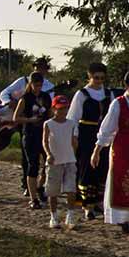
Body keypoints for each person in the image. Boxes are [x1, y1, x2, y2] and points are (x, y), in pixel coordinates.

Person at [94, 69, 129, 239]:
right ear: (127, 86)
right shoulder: (118, 104)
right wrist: (97, 150)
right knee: (125, 184)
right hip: (123, 150)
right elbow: (107, 128)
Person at [0, 57, 55, 198]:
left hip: (43, 127)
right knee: (29, 158)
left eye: (43, 68)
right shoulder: (22, 82)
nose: (40, 70)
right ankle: (27, 185)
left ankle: (40, 186)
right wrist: (10, 102)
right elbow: (4, 94)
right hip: (27, 126)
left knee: (47, 158)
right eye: (38, 67)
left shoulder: (50, 87)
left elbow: (49, 108)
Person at [67, 62, 113, 220]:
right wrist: (74, 137)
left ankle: (100, 201)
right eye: (96, 78)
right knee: (87, 169)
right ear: (89, 76)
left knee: (103, 168)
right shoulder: (82, 94)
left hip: (104, 135)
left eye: (102, 78)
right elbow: (73, 118)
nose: (99, 81)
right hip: (86, 134)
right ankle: (87, 206)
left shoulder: (109, 94)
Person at [12, 71, 53, 209]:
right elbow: (16, 118)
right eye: (36, 85)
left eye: (40, 85)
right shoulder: (25, 98)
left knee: (48, 163)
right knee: (33, 165)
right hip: (30, 134)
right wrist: (30, 120)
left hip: (43, 134)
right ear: (31, 84)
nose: (38, 88)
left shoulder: (45, 97)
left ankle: (40, 186)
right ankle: (33, 198)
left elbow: (50, 114)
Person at [42, 95, 79, 229]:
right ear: (54, 109)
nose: (63, 111)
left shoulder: (71, 123)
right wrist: (49, 154)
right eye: (60, 108)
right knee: (53, 191)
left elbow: (74, 141)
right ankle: (54, 216)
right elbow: (45, 141)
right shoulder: (49, 124)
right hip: (55, 161)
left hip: (69, 160)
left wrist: (74, 152)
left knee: (71, 190)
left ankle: (70, 215)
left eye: (65, 108)